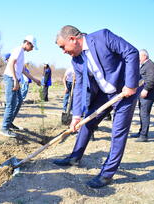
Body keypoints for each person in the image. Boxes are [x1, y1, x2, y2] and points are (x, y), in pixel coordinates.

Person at [53, 25, 141, 188]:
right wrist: (76, 115)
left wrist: (131, 84)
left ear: (72, 39)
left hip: (125, 90)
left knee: (118, 131)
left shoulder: (103, 37)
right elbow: (79, 86)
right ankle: (75, 157)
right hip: (105, 93)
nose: (63, 51)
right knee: (87, 122)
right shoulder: (76, 60)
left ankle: (107, 174)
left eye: (62, 47)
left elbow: (131, 52)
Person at [1, 35, 41, 137]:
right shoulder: (18, 50)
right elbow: (10, 63)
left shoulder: (22, 52)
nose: (32, 49)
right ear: (27, 43)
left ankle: (9, 123)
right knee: (11, 103)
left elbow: (22, 70)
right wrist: (15, 80)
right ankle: (4, 128)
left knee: (19, 101)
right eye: (32, 47)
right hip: (11, 78)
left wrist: (34, 79)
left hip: (15, 78)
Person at [130, 49, 154, 142]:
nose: (138, 59)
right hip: (143, 94)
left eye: (139, 57)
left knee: (145, 114)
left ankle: (144, 136)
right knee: (142, 114)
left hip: (148, 94)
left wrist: (146, 89)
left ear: (145, 56)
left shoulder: (151, 65)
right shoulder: (145, 66)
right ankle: (141, 132)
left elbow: (151, 80)